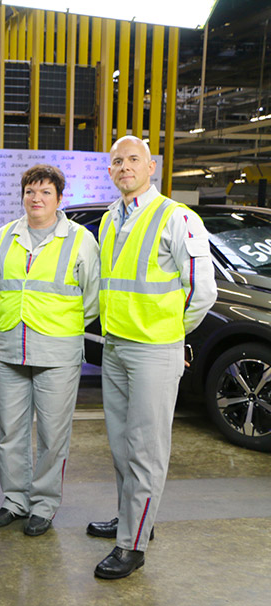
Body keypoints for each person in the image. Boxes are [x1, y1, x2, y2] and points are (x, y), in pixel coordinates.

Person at [89, 136, 217, 579]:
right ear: (110, 171)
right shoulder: (109, 219)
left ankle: (132, 544)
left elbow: (203, 291)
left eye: (133, 160)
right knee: (123, 445)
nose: (125, 166)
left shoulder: (176, 216)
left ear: (151, 167)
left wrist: (170, 335)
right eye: (117, 161)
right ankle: (132, 517)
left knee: (146, 449)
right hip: (117, 349)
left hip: (153, 351)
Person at [0, 164, 100, 536]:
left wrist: (56, 324)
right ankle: (15, 500)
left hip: (57, 353)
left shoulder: (80, 239)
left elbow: (92, 298)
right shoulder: (4, 237)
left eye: (45, 192)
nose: (36, 199)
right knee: (11, 433)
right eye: (30, 192)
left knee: (52, 435)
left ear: (59, 198)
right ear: (22, 196)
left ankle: (44, 504)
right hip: (10, 349)